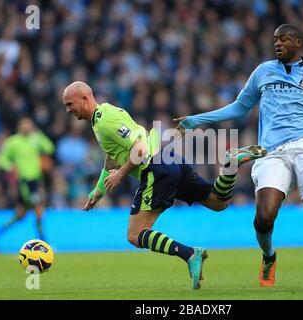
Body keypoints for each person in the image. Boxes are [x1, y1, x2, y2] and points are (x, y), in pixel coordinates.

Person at [174, 24, 303, 289]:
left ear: (298, 42)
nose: (278, 44)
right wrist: (195, 120)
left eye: (284, 39)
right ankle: (269, 256)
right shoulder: (262, 72)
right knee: (265, 215)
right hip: (271, 151)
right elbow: (239, 107)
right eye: (275, 40)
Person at [62, 81, 266, 290]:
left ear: (85, 98)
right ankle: (231, 164)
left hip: (154, 169)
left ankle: (189, 255)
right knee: (218, 202)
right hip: (168, 160)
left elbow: (140, 151)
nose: (68, 110)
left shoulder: (104, 121)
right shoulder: (104, 115)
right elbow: (113, 156)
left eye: (70, 104)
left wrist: (120, 175)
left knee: (135, 234)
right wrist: (99, 190)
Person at [0, 117, 55, 251]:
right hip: (25, 182)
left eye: (29, 125)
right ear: (20, 127)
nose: (27, 127)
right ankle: (44, 245)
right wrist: (10, 167)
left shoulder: (35, 139)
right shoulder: (13, 142)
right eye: (25, 125)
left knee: (21, 215)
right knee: (38, 209)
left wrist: (38, 134)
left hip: (36, 181)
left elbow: (50, 148)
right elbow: (2, 159)